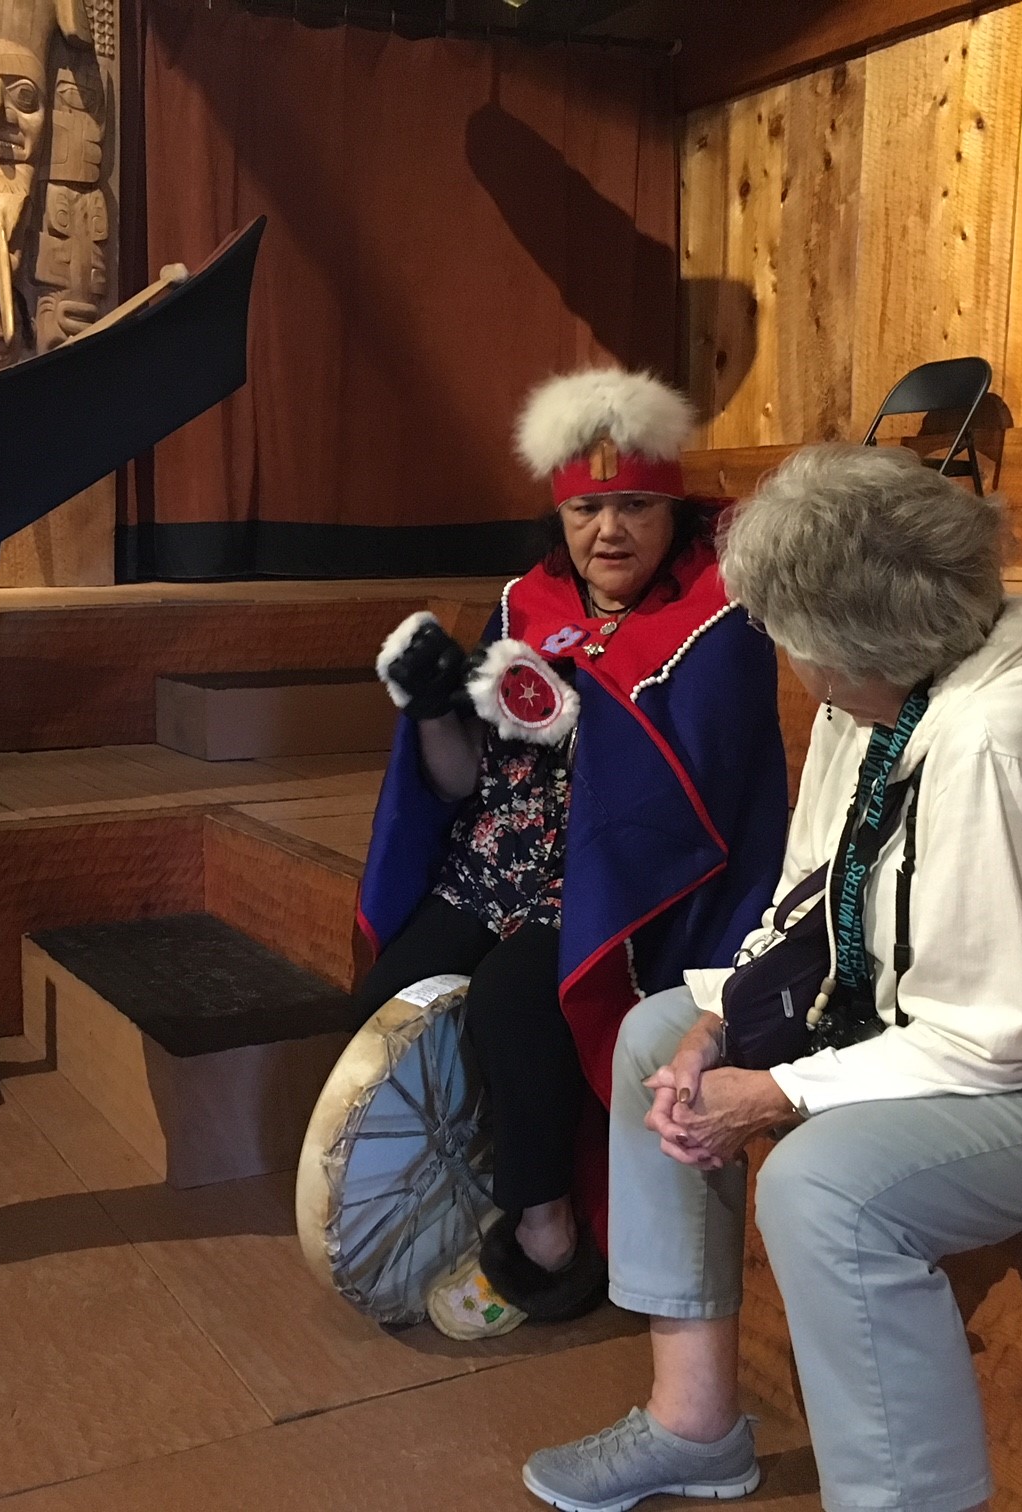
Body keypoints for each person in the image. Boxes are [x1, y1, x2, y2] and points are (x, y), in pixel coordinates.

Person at [522, 444, 1022, 1511]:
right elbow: (810, 905)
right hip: (1010, 1010)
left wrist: (772, 1093)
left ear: (847, 637)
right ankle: (694, 1422)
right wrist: (713, 1032)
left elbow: (1003, 1034)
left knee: (831, 1189)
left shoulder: (1004, 735)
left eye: (788, 635)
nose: (783, 656)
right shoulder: (881, 696)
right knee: (649, 1036)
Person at [356, 368, 789, 1340]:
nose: (610, 530)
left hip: (619, 891)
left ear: (670, 507)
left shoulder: (722, 616)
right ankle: (449, 1196)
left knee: (519, 999)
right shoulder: (528, 605)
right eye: (588, 507)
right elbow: (461, 779)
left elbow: (700, 795)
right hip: (494, 865)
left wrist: (594, 715)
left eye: (635, 504)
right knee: (385, 1004)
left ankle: (548, 1236)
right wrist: (433, 708)